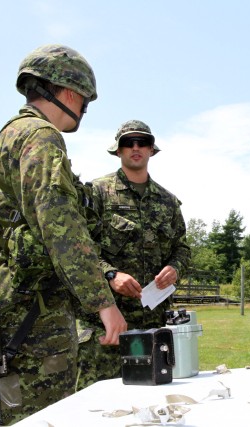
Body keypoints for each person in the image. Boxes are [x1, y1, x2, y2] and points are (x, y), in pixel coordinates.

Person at [0, 44, 127, 426]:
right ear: (71, 93)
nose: (84, 111)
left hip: (10, 298)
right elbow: (59, 225)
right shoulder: (41, 137)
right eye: (86, 102)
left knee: (10, 409)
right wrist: (102, 301)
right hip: (33, 308)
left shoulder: (10, 135)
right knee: (38, 414)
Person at [76, 119, 191, 390]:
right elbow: (79, 247)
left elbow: (182, 248)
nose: (135, 148)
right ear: (118, 151)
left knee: (152, 402)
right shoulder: (96, 193)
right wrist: (110, 274)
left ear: (152, 150)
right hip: (106, 324)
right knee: (98, 404)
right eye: (128, 143)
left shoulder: (168, 201)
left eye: (143, 143)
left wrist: (175, 267)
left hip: (153, 324)